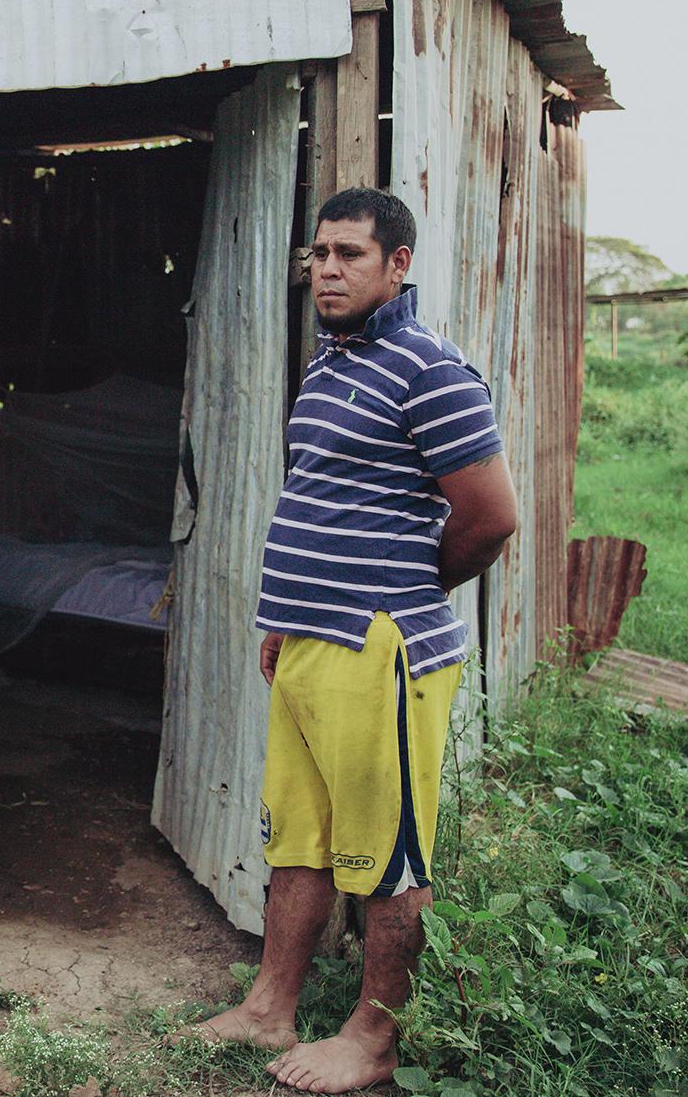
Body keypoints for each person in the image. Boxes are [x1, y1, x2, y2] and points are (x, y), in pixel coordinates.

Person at [198, 188, 518, 1093]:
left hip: (382, 650)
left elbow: (491, 518)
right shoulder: (329, 366)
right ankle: (269, 1007)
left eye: (350, 254)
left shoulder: (432, 372)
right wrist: (291, 618)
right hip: (310, 646)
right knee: (300, 838)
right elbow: (320, 503)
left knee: (388, 851)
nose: (328, 269)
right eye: (320, 253)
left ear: (398, 264)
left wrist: (401, 593)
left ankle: (375, 1037)